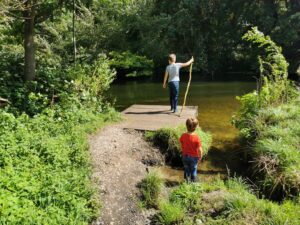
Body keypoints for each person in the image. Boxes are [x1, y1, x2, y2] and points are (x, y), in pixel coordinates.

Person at [179, 118, 203, 182]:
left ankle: (186, 181)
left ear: (186, 126)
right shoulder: (196, 138)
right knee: (193, 170)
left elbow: (181, 144)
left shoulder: (183, 135)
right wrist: (200, 156)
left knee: (186, 169)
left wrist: (183, 150)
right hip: (194, 158)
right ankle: (193, 182)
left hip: (185, 156)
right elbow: (200, 149)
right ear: (195, 128)